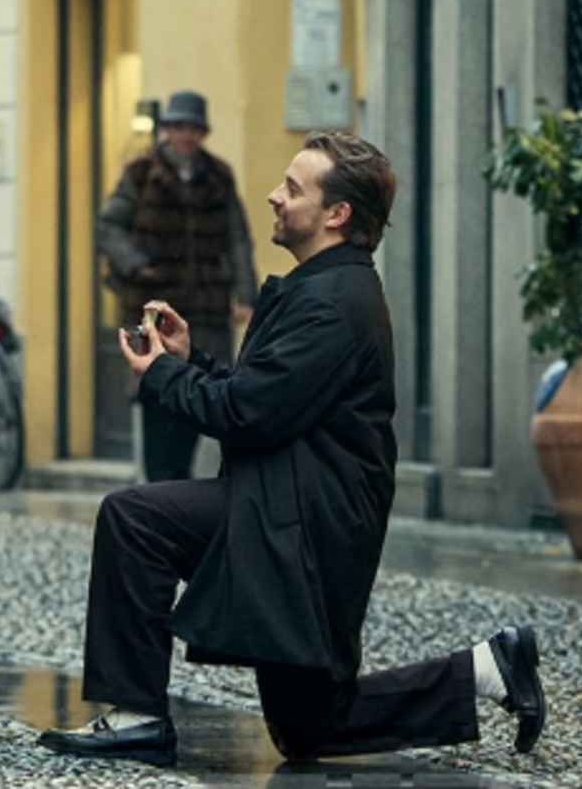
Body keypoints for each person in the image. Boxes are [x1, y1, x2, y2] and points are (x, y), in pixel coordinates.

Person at [39, 131, 545, 767]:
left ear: (337, 214)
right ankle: (488, 668)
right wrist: (189, 361)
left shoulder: (334, 303)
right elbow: (264, 397)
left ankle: (137, 717)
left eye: (293, 188)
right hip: (290, 506)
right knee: (310, 728)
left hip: (305, 521)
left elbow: (248, 414)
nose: (274, 196)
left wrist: (161, 374)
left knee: (135, 518)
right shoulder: (324, 288)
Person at [97, 90, 256, 482]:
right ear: (167, 130)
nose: (186, 136)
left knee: (200, 396)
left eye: (193, 129)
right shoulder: (140, 173)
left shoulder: (218, 176)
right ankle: (160, 488)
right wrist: (137, 265)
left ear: (202, 133)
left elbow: (238, 238)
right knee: (156, 396)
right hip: (155, 307)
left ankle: (180, 485)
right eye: (179, 127)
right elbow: (109, 226)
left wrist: (246, 295)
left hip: (206, 309)